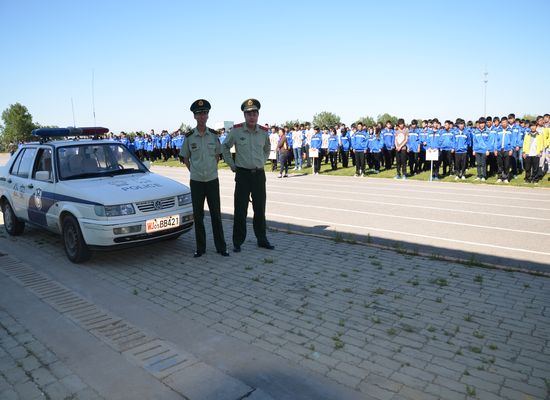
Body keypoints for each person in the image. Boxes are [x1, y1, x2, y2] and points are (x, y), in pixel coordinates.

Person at [221, 98, 274, 252]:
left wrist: (262, 161)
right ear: (244, 115)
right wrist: (232, 165)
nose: (252, 117)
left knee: (260, 209)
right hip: (242, 175)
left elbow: (267, 148)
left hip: (258, 175)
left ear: (258, 115)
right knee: (240, 209)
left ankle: (262, 239)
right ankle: (237, 241)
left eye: (254, 114)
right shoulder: (236, 131)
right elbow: (225, 147)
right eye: (249, 114)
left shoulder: (263, 132)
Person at [180, 99, 229, 258]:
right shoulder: (189, 137)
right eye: (199, 114)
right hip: (196, 182)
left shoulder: (213, 135)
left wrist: (210, 170)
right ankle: (200, 248)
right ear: (194, 116)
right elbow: (186, 158)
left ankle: (221, 247)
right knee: (198, 216)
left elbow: (217, 156)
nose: (202, 116)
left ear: (208, 115)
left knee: (216, 215)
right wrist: (194, 171)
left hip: (212, 180)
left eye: (204, 113)